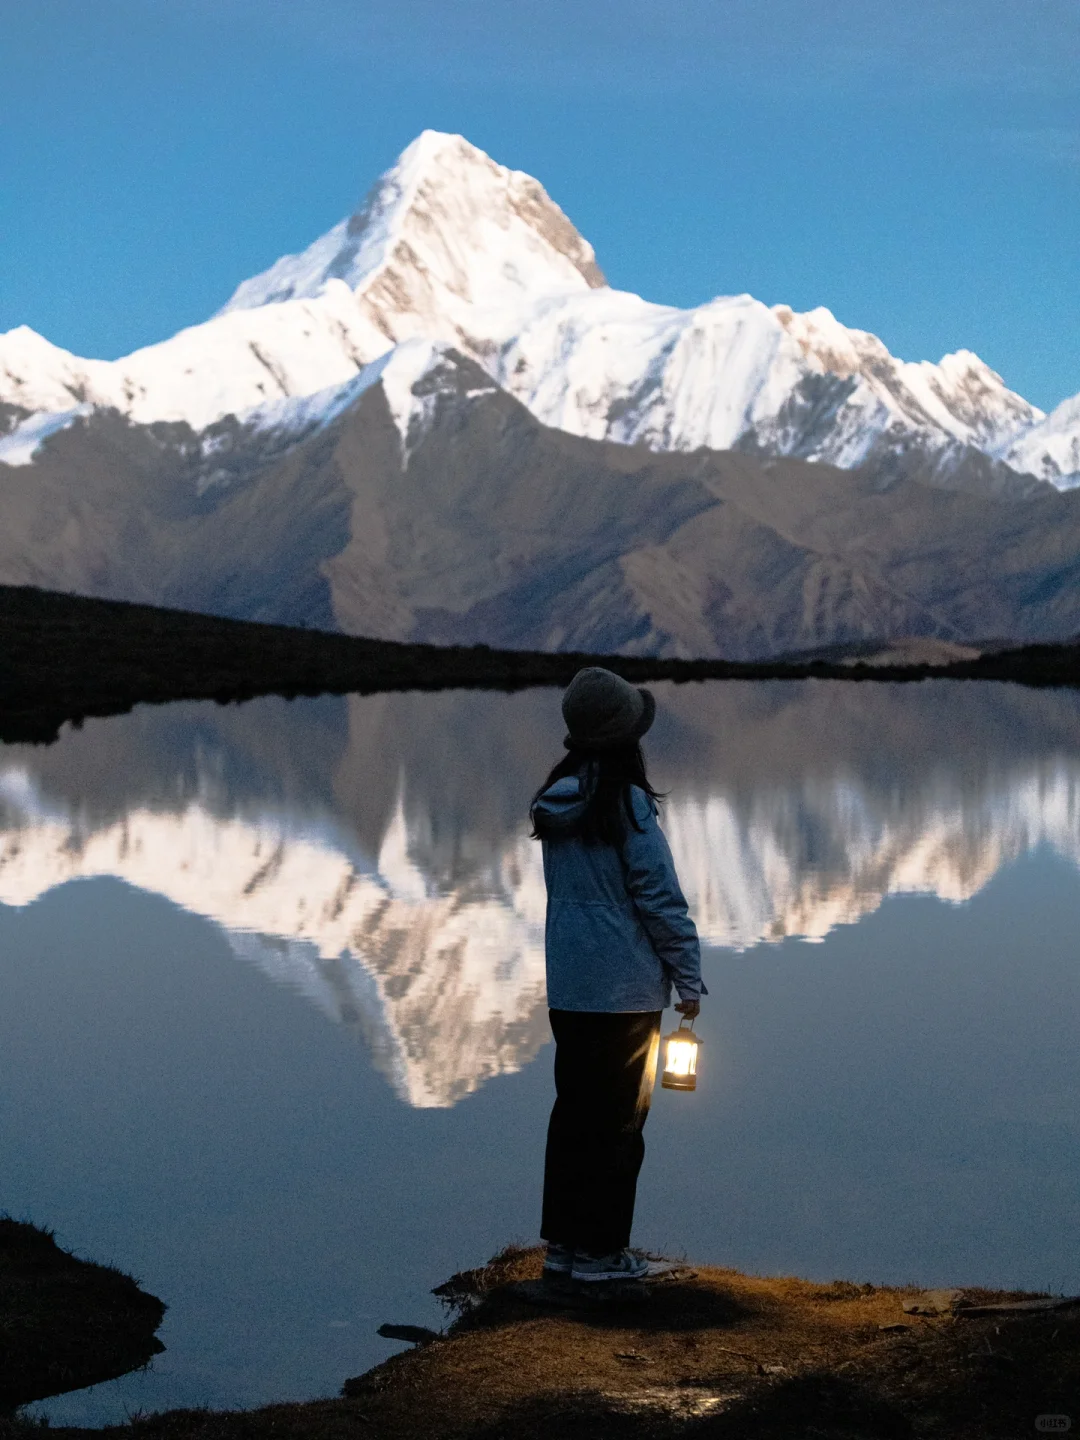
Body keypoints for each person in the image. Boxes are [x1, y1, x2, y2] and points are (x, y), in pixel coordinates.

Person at [530, 666, 705, 1285]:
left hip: (570, 987)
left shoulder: (558, 803)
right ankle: (604, 1256)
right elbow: (659, 898)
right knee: (620, 1124)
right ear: (623, 738)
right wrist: (689, 979)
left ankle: (566, 1249)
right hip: (625, 991)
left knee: (574, 1115)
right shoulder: (627, 805)